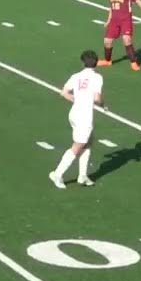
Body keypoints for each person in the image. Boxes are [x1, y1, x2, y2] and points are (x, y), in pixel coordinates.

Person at [49, 50, 103, 189]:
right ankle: (57, 174)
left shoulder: (76, 76)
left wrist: (77, 100)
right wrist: (103, 104)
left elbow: (64, 93)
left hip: (74, 113)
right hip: (84, 117)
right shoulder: (97, 78)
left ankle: (83, 175)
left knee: (89, 142)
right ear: (96, 63)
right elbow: (97, 98)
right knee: (78, 146)